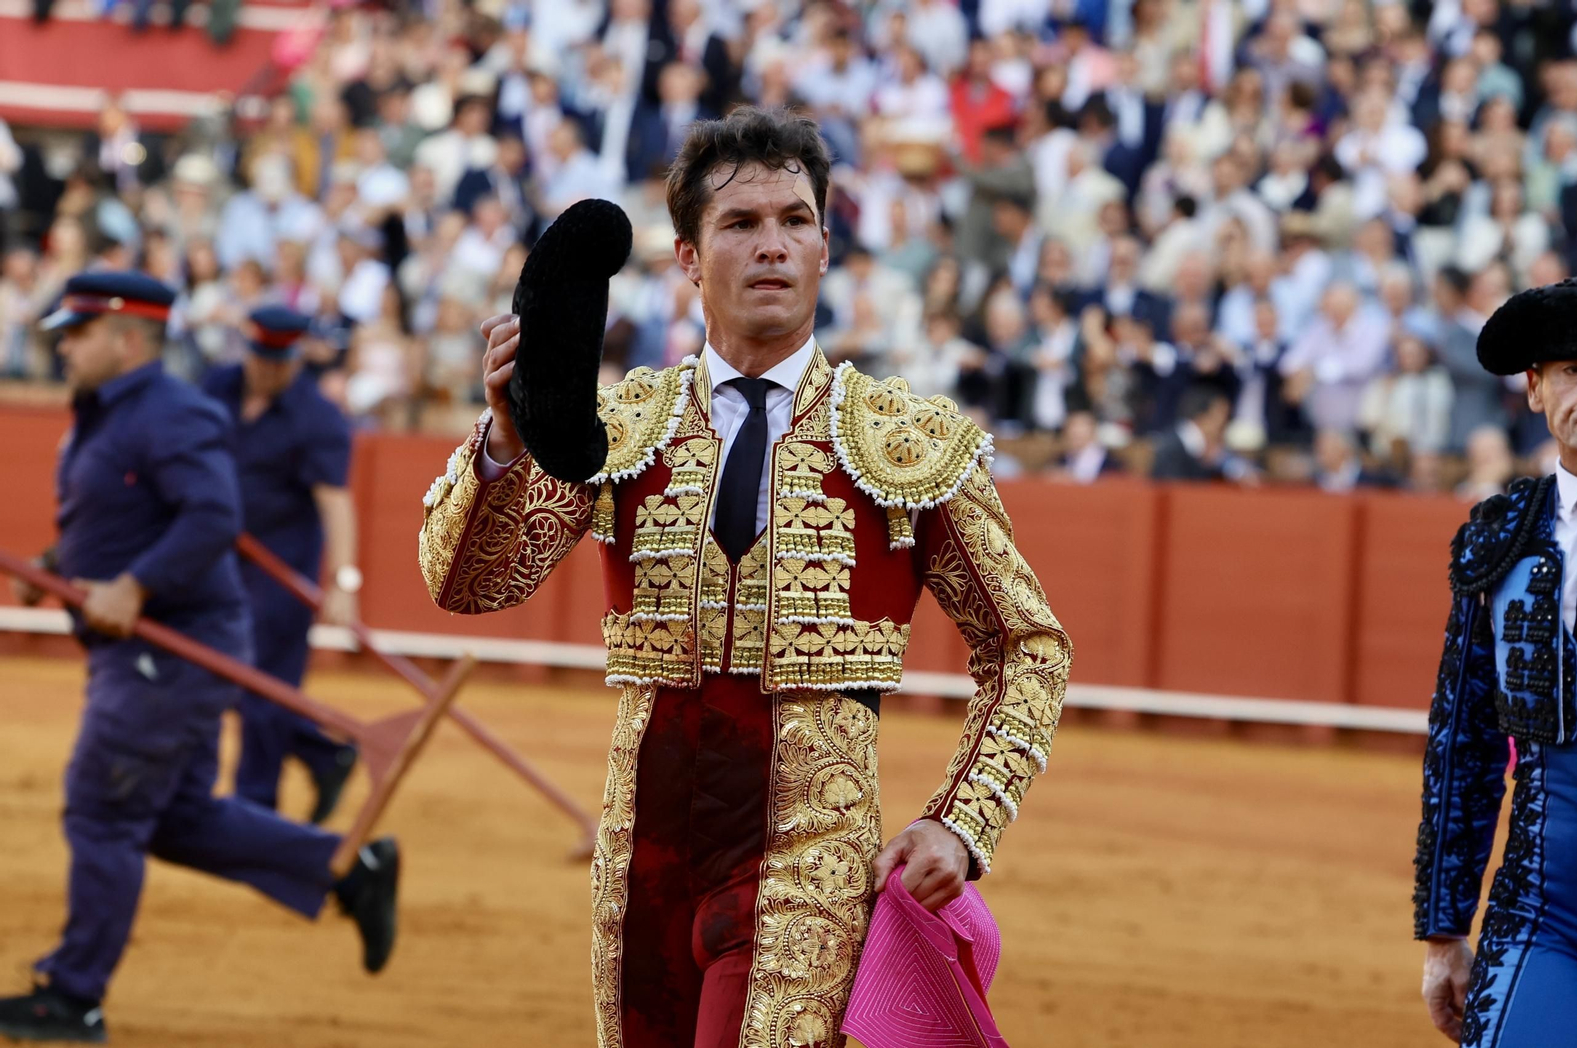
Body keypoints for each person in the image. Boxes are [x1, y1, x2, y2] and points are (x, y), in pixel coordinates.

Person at [417, 108, 1071, 1048]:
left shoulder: (904, 442)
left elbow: (1027, 647)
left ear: (825, 245)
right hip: (640, 856)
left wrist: (961, 825)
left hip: (810, 862)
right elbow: (471, 584)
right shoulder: (621, 429)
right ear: (688, 256)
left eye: (794, 221)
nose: (773, 246)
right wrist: (505, 444)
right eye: (741, 224)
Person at [0, 273, 398, 1044]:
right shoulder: (115, 409)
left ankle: (73, 995)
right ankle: (348, 865)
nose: (62, 344)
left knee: (103, 809)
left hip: (168, 653)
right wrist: (71, 561)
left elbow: (213, 513)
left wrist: (135, 585)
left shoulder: (172, 410)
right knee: (174, 818)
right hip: (149, 646)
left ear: (127, 339)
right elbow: (133, 509)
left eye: (76, 332)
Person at [1415, 273, 1577, 1047]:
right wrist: (1444, 929)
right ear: (1534, 389)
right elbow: (1463, 741)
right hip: (1540, 912)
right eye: (1573, 370)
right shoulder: (1500, 537)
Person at [200, 305, 362, 823]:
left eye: (280, 363)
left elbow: (336, 502)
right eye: (261, 360)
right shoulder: (216, 386)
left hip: (280, 576)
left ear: (296, 360)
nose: (269, 372)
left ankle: (253, 808)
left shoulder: (317, 417)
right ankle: (322, 754)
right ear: (248, 351)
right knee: (216, 676)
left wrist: (343, 582)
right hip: (216, 564)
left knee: (263, 688)